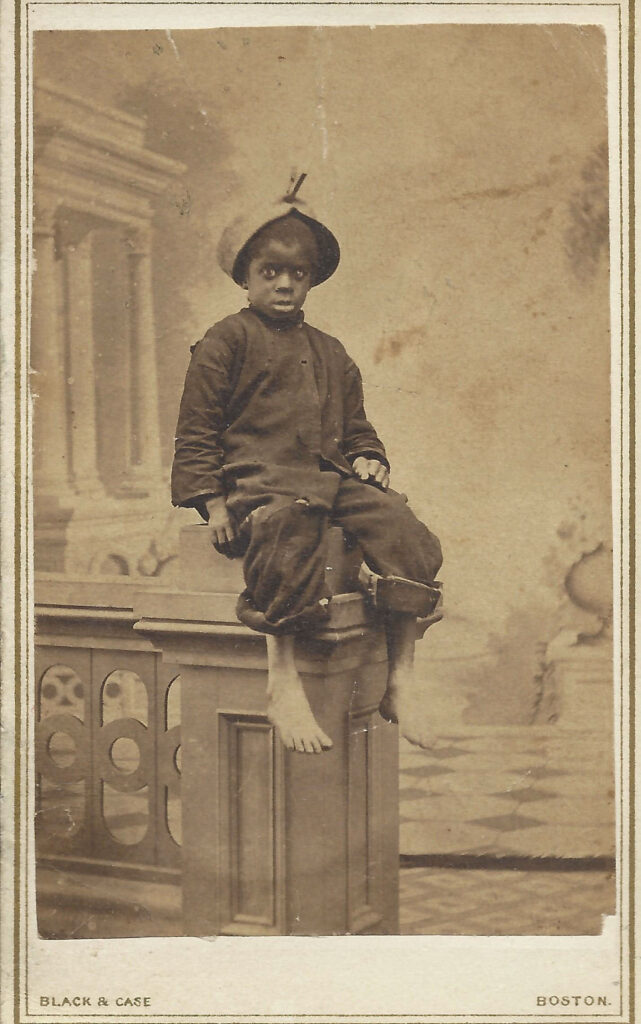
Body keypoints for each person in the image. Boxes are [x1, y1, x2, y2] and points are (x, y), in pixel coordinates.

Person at [171, 173, 443, 754]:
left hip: (329, 478)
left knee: (404, 528)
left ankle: (403, 679)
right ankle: (282, 681)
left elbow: (356, 427)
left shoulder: (330, 351)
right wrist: (212, 501)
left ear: (312, 279)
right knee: (286, 527)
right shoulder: (224, 342)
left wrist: (369, 458)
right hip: (260, 481)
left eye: (298, 274)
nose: (285, 285)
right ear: (245, 275)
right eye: (271, 272)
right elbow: (196, 431)